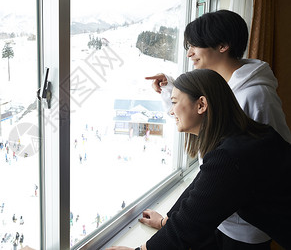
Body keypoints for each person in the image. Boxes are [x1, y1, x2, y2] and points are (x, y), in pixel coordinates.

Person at [145, 9, 291, 248]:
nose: (190, 53)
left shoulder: (255, 95)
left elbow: (272, 162)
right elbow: (199, 118)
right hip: (221, 214)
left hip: (243, 226)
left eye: (195, 45)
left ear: (223, 45)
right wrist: (169, 91)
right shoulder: (222, 87)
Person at [107, 69, 291, 250]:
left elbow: (188, 227)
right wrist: (167, 220)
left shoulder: (231, 157)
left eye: (174, 102)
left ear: (201, 105)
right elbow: (204, 184)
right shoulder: (246, 136)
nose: (171, 112)